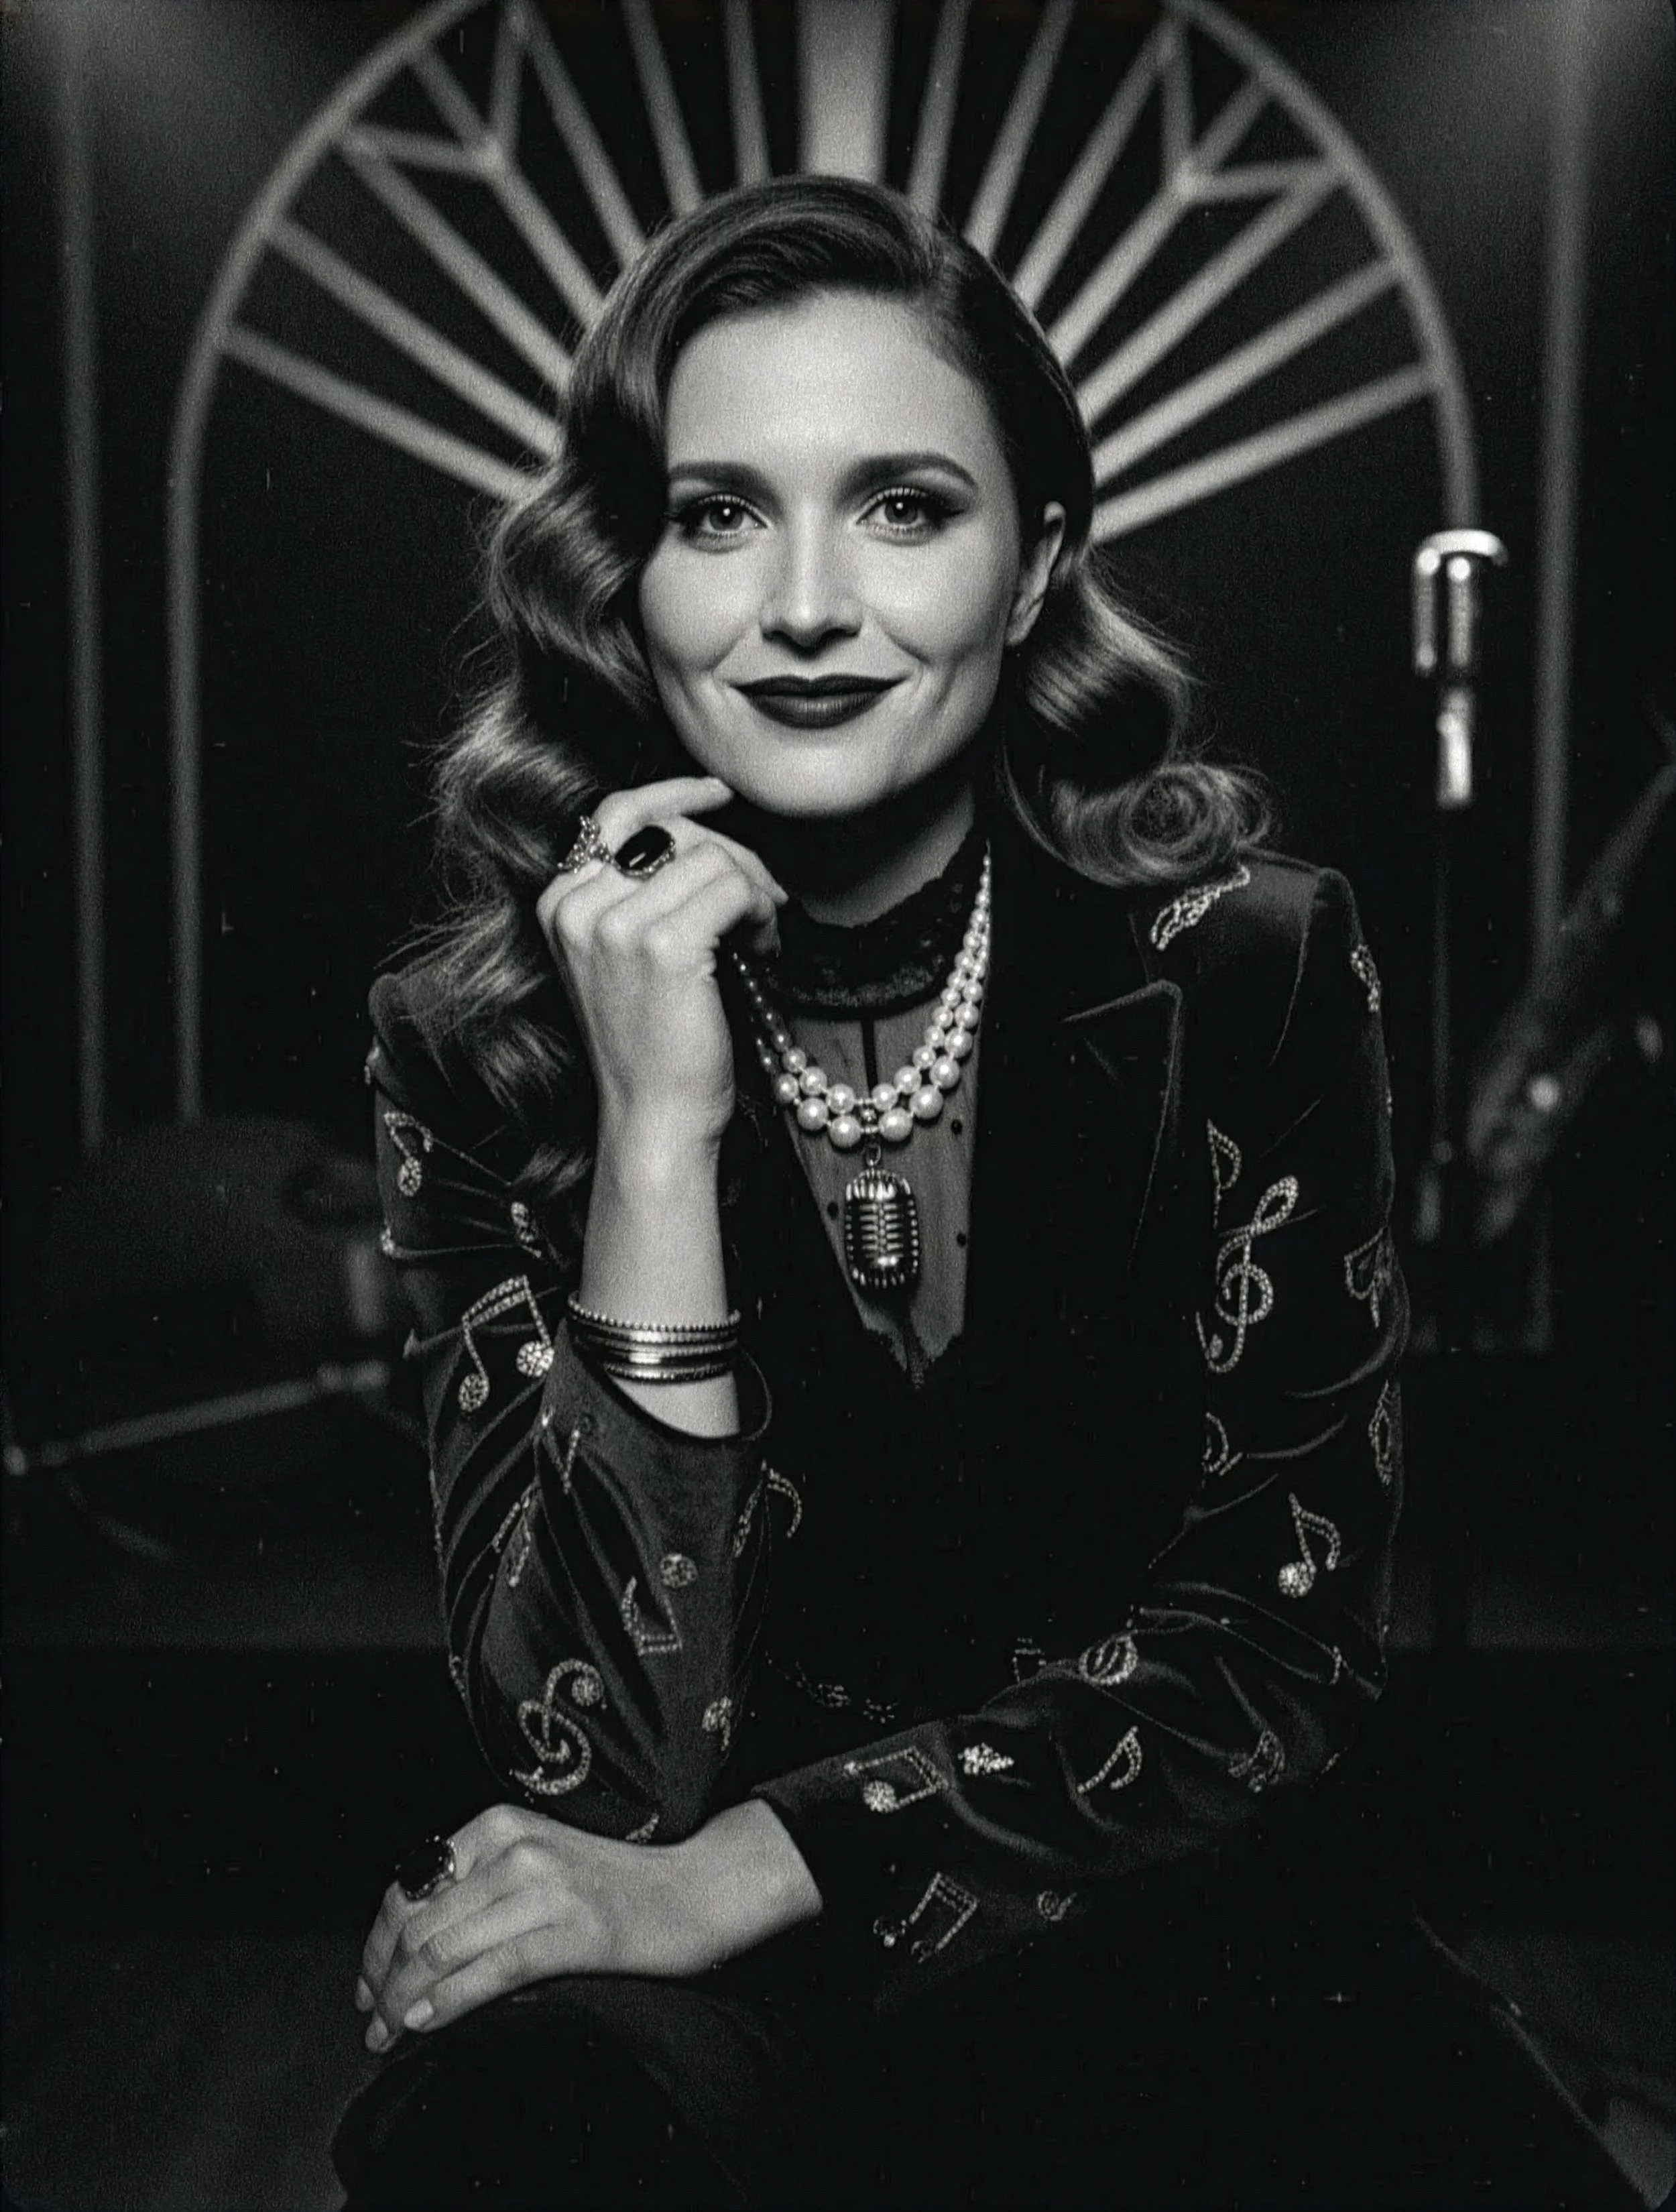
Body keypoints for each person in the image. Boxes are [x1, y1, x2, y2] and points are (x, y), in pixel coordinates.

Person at [335, 178, 1638, 2209]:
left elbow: (1275, 1645)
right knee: (531, 2118)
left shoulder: (1253, 965)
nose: (804, 607)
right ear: (625, 576)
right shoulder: (477, 1036)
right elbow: (594, 1772)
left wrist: (762, 1864)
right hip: (704, 1995)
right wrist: (657, 1130)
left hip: (1152, 1913)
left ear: (1032, 566)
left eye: (902, 507)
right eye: (718, 514)